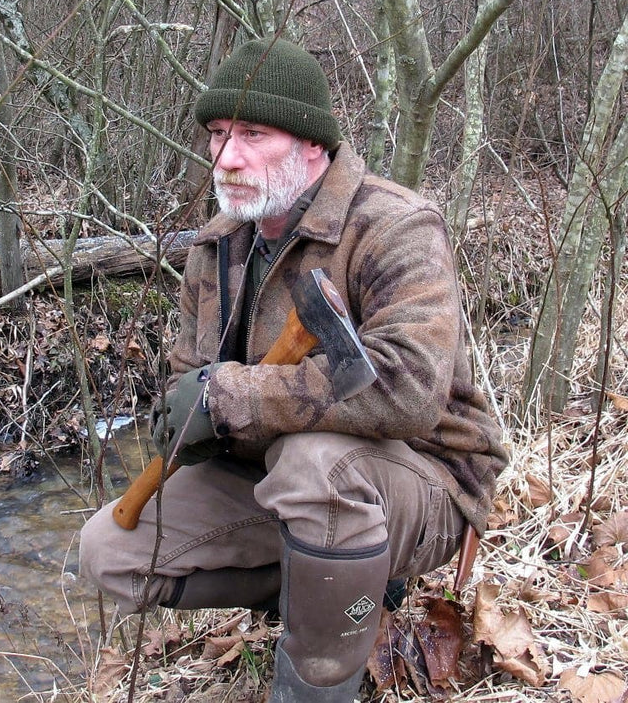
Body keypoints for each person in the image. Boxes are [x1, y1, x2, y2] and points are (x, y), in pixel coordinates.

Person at [79, 36, 507, 702]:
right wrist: (191, 410)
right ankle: (332, 586)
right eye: (218, 133)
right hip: (273, 474)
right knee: (107, 550)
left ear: (312, 145)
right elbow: (193, 374)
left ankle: (314, 684)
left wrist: (235, 397)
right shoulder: (217, 246)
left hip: (426, 481)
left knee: (317, 466)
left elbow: (411, 389)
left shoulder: (394, 227)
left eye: (253, 133)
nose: (228, 155)